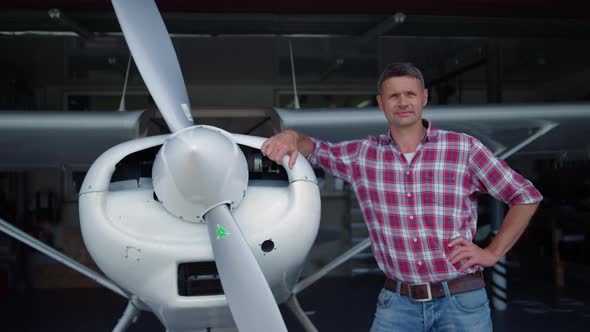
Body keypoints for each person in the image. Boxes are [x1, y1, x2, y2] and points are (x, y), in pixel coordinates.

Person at [261, 62, 542, 331]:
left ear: (424, 98)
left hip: (462, 300)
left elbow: (525, 195)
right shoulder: (362, 155)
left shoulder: (464, 149)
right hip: (398, 303)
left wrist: (492, 252)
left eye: (410, 94)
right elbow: (314, 148)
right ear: (381, 103)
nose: (403, 102)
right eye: (393, 96)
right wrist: (290, 136)